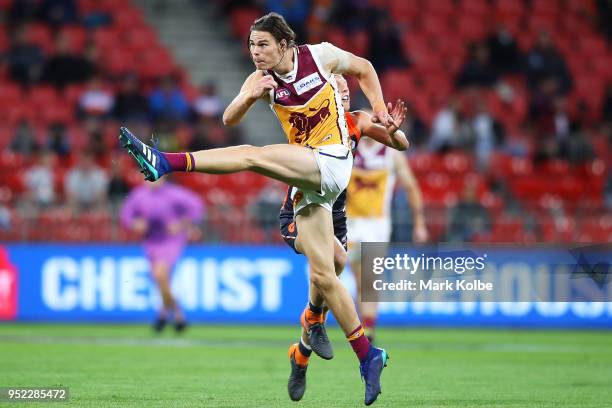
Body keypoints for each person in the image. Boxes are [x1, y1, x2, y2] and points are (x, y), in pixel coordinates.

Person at [118, 13, 394, 405]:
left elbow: (364, 68)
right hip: (309, 186)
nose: (255, 53)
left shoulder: (320, 56)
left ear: (284, 44)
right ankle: (366, 356)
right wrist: (249, 94)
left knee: (252, 155)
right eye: (251, 45)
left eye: (262, 44)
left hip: (332, 160)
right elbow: (230, 118)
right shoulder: (260, 81)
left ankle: (164, 161)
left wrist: (381, 110)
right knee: (327, 272)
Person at [279, 74, 410, 400]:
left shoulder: (357, 121)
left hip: (336, 220)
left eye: (346, 90)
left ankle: (302, 352)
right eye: (335, 90)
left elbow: (402, 145)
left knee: (324, 281)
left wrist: (393, 130)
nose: (344, 95)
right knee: (332, 264)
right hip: (302, 211)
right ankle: (364, 354)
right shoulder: (311, 124)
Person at [346, 123, 428, 345]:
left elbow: (411, 186)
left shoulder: (391, 153)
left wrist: (419, 223)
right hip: (350, 223)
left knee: (370, 280)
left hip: (377, 225)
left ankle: (368, 330)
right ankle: (358, 325)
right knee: (357, 278)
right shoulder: (349, 146)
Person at [120, 177, 203, 332]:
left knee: (159, 275)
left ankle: (172, 314)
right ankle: (172, 314)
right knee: (160, 279)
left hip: (170, 240)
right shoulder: (139, 195)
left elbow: (197, 207)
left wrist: (180, 225)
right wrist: (135, 224)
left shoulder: (175, 193)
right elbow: (126, 214)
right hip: (151, 241)